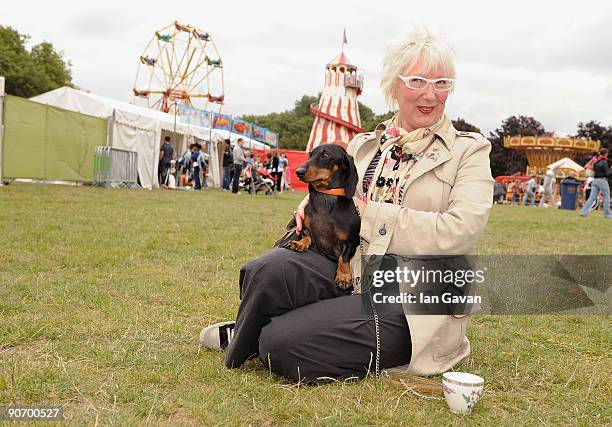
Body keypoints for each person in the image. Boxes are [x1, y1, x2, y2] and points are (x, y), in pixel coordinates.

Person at [200, 30, 494, 383]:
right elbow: (328, 192)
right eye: (417, 80)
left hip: (412, 299)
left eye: (441, 82)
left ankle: (264, 331)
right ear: (394, 85)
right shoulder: (364, 146)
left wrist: (370, 215)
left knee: (282, 346)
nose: (430, 93)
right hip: (350, 273)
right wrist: (307, 204)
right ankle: (272, 328)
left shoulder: (469, 151)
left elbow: (459, 231)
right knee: (265, 270)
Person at [580, 148, 611, 218]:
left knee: (592, 198)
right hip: (602, 181)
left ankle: (583, 212)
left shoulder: (596, 161)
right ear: (605, 153)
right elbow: (607, 174)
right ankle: (607, 214)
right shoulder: (604, 162)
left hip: (595, 181)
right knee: (607, 197)